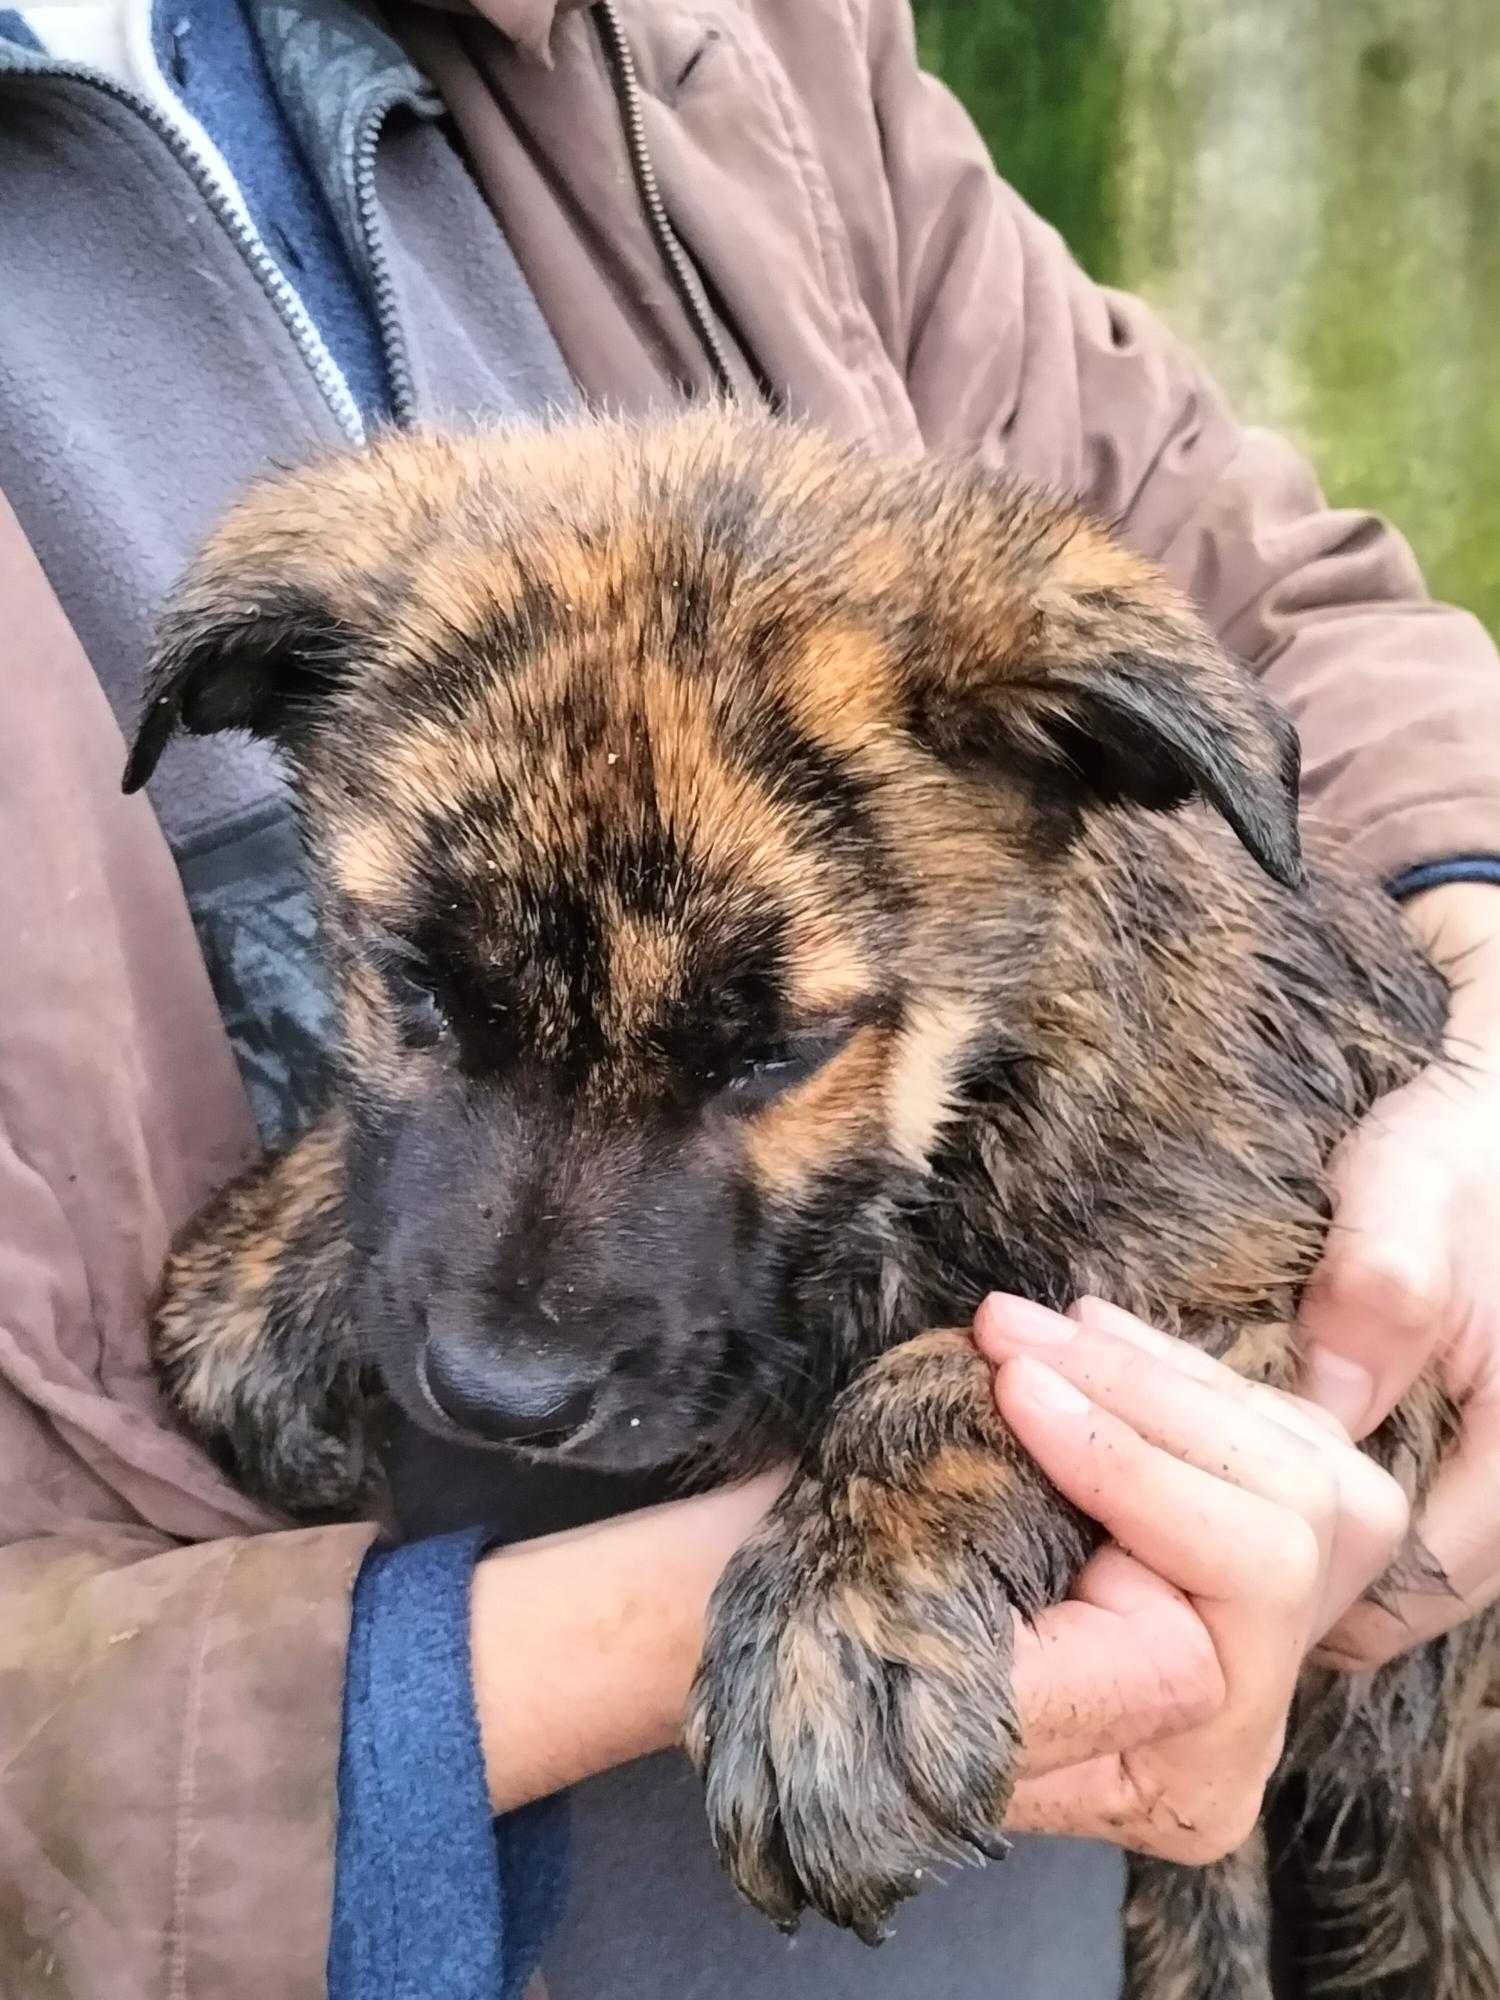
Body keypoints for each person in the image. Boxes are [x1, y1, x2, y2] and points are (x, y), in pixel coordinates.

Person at [1, 0, 1497, 1994]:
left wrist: (1481, 990)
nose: (513, 1337)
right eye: (416, 996)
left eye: (765, 1048)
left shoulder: (708, 38)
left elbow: (1269, 568)